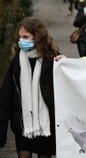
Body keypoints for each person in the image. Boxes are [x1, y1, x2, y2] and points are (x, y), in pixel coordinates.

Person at [0, 17, 59, 158]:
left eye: (26, 37)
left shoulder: (52, 59)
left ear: (37, 37)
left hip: (46, 124)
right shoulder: (17, 61)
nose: (22, 41)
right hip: (23, 123)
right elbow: (6, 95)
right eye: (20, 37)